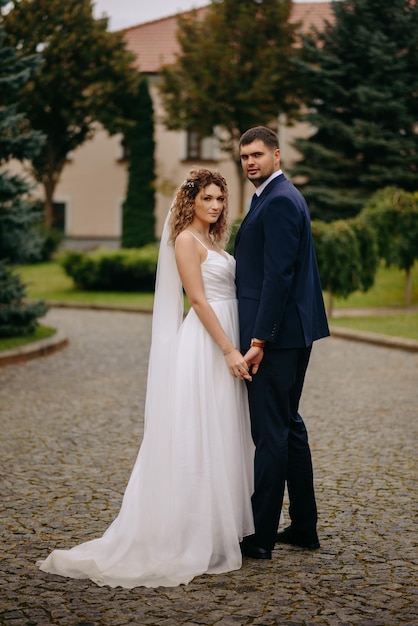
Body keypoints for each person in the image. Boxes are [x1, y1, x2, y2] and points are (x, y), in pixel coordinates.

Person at [37, 169, 255, 588]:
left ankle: (218, 525)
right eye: (207, 199)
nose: (215, 206)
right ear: (189, 202)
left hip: (227, 334)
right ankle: (187, 531)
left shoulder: (213, 241)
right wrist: (228, 348)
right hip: (207, 343)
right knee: (196, 433)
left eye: (220, 199)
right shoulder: (186, 242)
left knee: (223, 431)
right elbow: (196, 298)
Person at [235, 126, 330, 561]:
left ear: (277, 155)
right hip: (290, 332)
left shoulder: (279, 202)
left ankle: (261, 537)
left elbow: (278, 277)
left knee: (271, 432)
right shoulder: (274, 198)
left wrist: (258, 338)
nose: (250, 162)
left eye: (258, 154)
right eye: (244, 157)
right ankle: (305, 527)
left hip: (275, 337)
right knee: (288, 425)